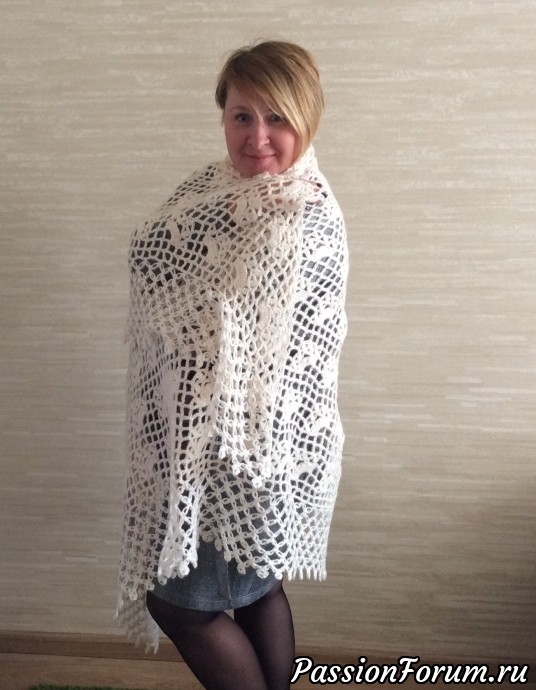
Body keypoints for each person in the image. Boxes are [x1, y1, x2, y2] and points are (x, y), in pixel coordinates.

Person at [116, 40, 348, 690]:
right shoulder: (216, 188)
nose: (258, 137)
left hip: (233, 458)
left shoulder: (297, 216)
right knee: (256, 591)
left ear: (307, 119)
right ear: (223, 115)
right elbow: (158, 257)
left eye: (278, 118)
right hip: (213, 443)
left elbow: (238, 344)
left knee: (182, 607)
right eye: (243, 115)